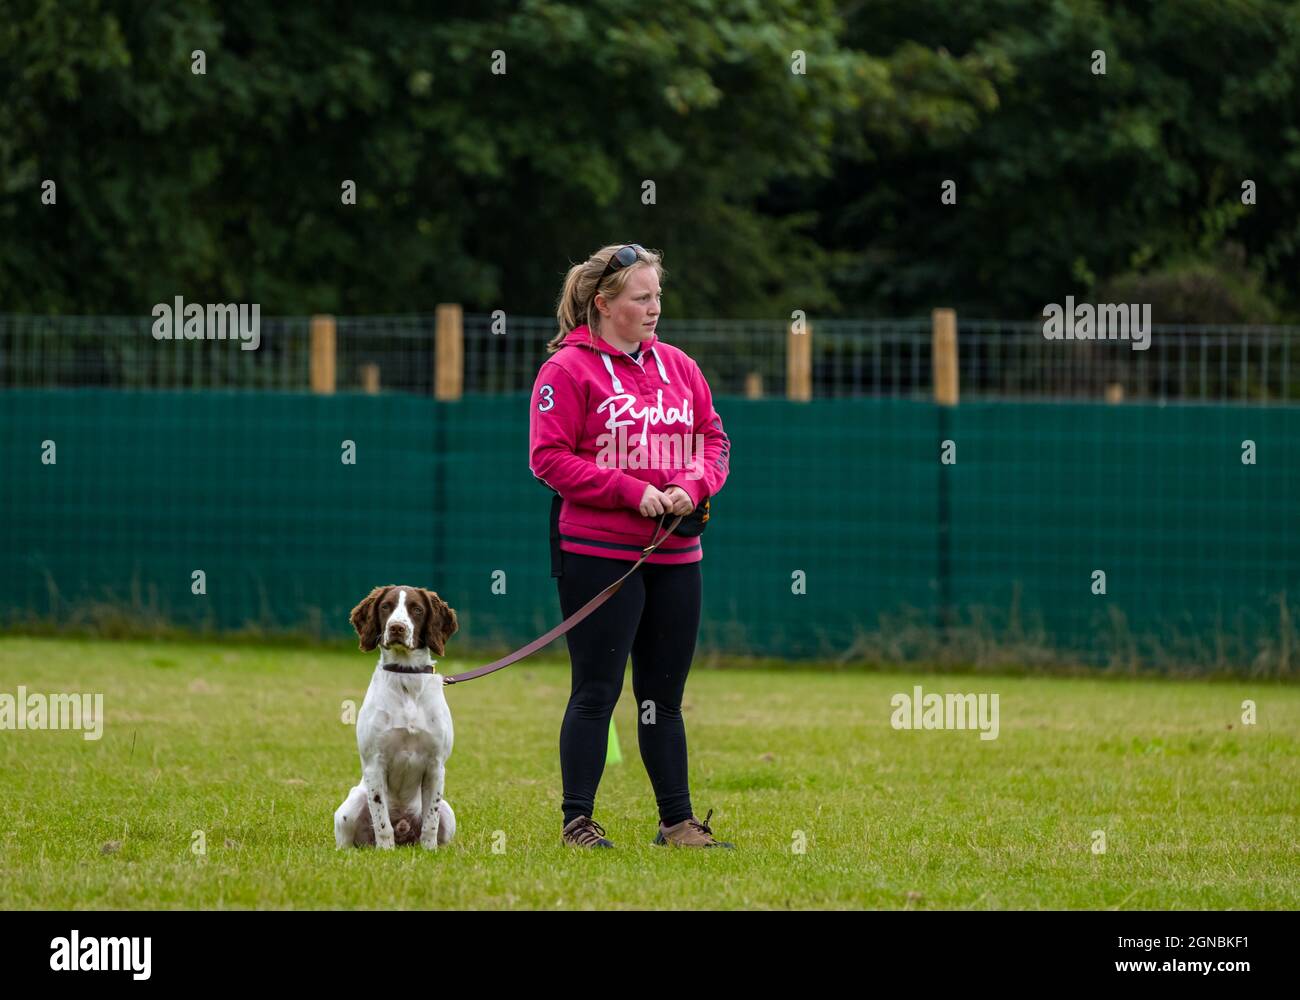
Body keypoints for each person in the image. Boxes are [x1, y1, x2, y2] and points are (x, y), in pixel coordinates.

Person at [528, 243, 733, 848]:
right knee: (596, 690)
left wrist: (689, 486)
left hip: (677, 557)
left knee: (663, 698)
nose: (654, 309)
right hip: (597, 556)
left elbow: (713, 440)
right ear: (604, 304)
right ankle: (578, 822)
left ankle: (677, 824)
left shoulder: (680, 366)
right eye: (642, 297)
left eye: (658, 296)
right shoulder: (566, 371)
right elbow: (548, 458)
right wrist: (627, 490)